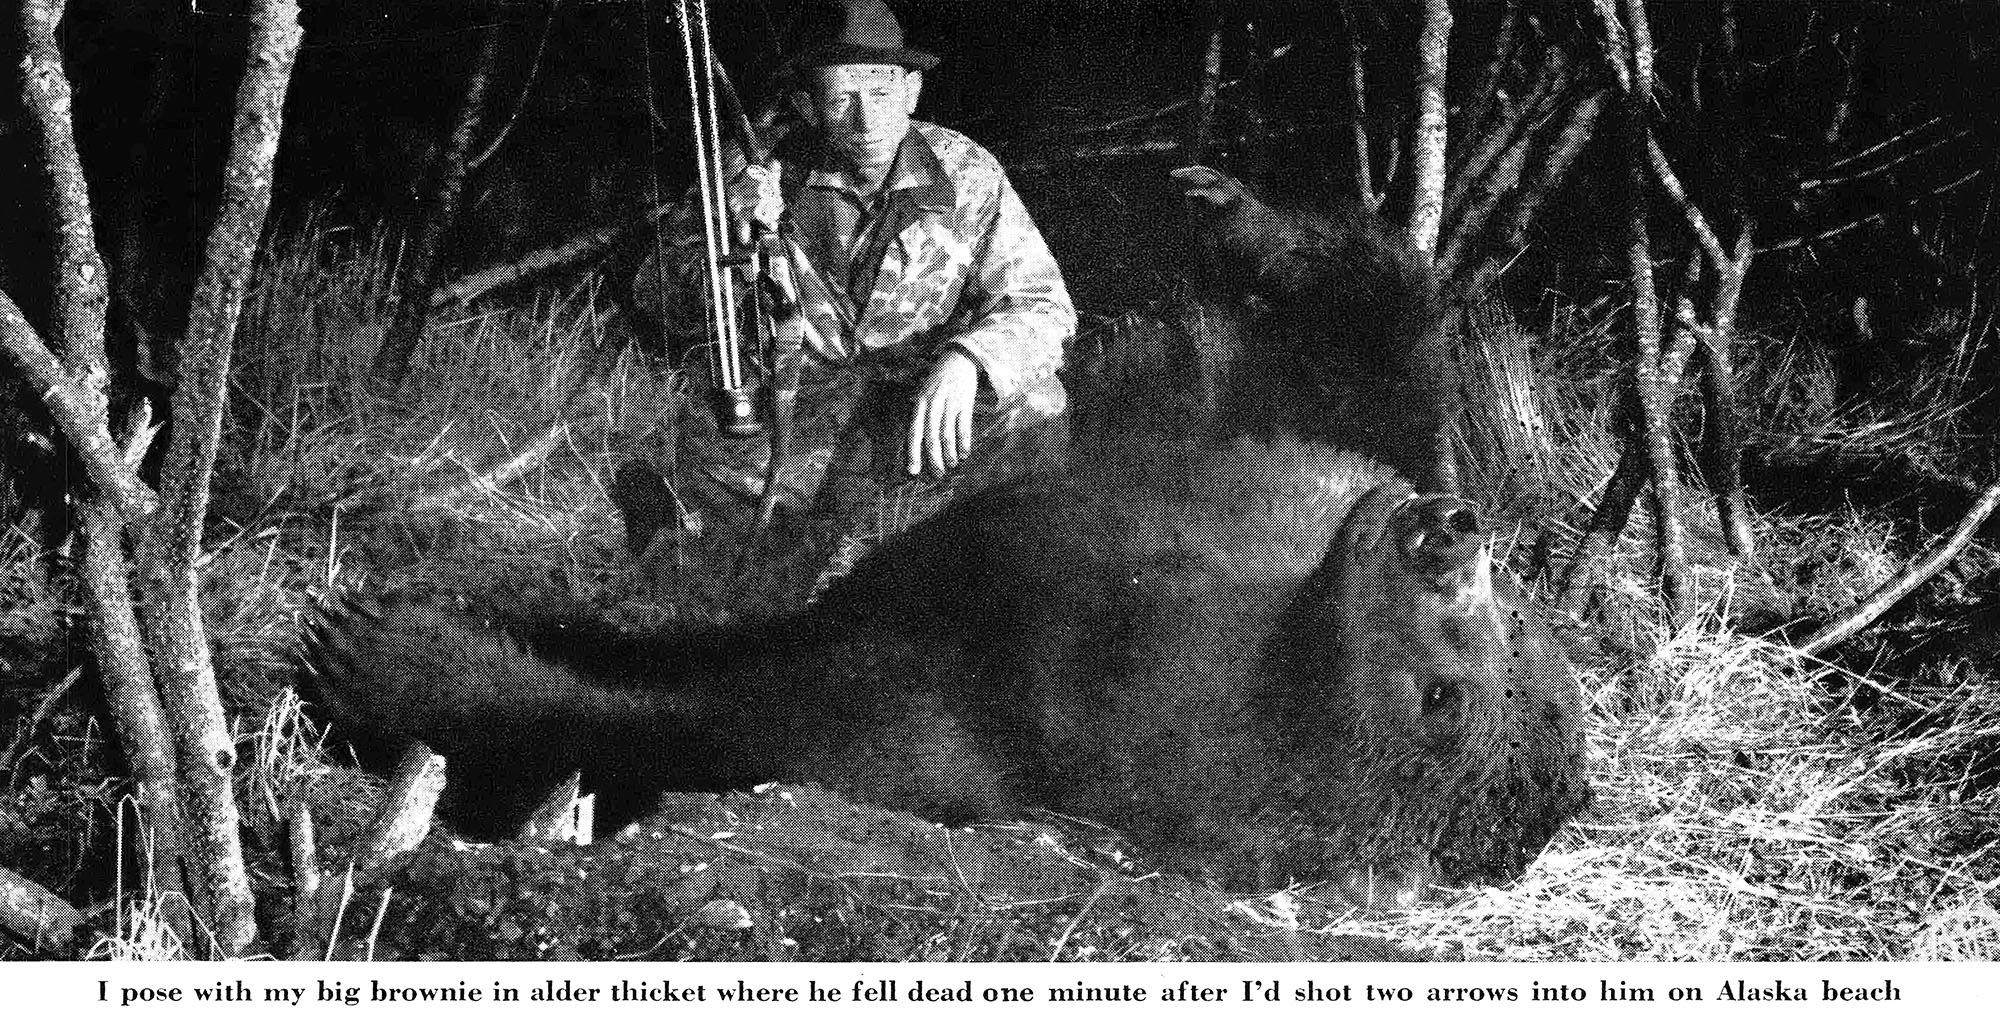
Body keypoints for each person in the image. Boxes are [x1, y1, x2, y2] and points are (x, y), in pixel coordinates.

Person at [628, 0, 1074, 563]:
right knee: (705, 477)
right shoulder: (757, 168)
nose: (867, 120)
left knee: (1036, 403)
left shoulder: (964, 173)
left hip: (918, 398)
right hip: (799, 407)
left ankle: (977, 545)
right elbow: (656, 294)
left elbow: (1042, 305)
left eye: (883, 96)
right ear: (806, 105)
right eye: (842, 99)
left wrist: (968, 359)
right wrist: (732, 238)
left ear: (912, 93)